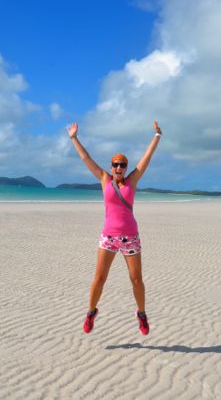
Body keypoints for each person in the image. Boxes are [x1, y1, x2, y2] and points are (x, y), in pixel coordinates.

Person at [67, 120, 162, 335]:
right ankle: (91, 312)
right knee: (99, 279)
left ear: (126, 168)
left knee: (136, 280)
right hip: (108, 237)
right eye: (116, 164)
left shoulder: (132, 181)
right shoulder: (104, 179)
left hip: (130, 237)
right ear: (111, 167)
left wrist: (157, 136)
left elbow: (147, 158)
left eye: (123, 165)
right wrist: (74, 138)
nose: (119, 168)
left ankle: (142, 314)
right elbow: (86, 158)